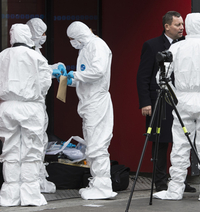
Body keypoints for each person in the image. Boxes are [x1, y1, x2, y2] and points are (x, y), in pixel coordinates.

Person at [152, 12, 200, 201]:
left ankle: (175, 189)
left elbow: (160, 77)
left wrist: (172, 95)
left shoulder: (177, 48)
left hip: (183, 101)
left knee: (180, 145)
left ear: (187, 25)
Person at [0, 23, 53, 206]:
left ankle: (10, 195)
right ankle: (30, 195)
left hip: (6, 107)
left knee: (10, 150)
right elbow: (45, 83)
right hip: (30, 106)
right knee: (31, 150)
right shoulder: (36, 57)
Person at [136, 11, 195, 193]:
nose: (181, 28)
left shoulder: (186, 45)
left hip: (181, 101)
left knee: (181, 142)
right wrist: (145, 102)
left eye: (182, 25)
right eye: (177, 25)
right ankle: (161, 182)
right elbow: (143, 76)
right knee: (160, 143)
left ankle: (179, 180)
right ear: (167, 26)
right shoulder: (152, 46)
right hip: (159, 102)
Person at [65, 21, 117, 200]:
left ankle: (103, 186)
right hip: (89, 101)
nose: (72, 43)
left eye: (72, 39)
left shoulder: (97, 46)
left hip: (96, 101)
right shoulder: (86, 48)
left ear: (79, 36)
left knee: (97, 144)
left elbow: (98, 71)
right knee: (92, 142)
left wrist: (76, 75)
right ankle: (98, 182)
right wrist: (68, 80)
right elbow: (86, 78)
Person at [26, 17, 66, 194]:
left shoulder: (35, 50)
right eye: (41, 33)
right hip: (31, 104)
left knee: (40, 142)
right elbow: (35, 74)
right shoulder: (26, 52)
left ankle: (38, 179)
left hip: (37, 104)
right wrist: (51, 71)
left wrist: (53, 68)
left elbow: (40, 70)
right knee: (32, 144)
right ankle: (32, 181)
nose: (44, 36)